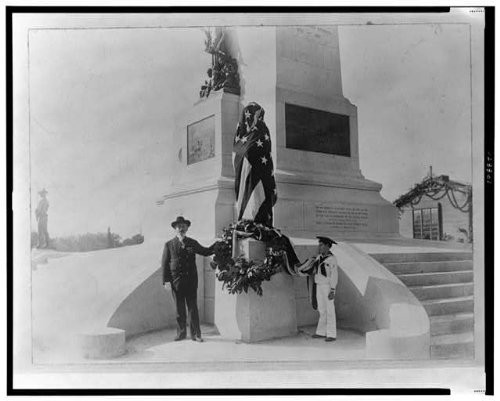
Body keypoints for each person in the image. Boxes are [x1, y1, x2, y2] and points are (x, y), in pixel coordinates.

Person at [161, 216, 217, 342]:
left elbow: (206, 251)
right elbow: (164, 264)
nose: (181, 228)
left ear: (187, 228)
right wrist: (166, 281)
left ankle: (196, 334)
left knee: (193, 308)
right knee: (179, 310)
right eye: (179, 226)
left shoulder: (192, 242)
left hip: (191, 281)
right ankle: (181, 333)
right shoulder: (169, 245)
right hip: (176, 283)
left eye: (183, 226)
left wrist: (218, 245)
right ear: (175, 229)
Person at [233, 102, 277, 227]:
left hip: (260, 176)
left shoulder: (261, 130)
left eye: (260, 116)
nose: (259, 119)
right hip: (247, 178)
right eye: (256, 115)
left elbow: (261, 152)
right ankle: (248, 222)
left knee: (259, 203)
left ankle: (257, 223)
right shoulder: (241, 134)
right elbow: (239, 154)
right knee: (251, 204)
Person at [298, 236, 339, 342]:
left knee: (330, 310)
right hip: (318, 285)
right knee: (321, 309)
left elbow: (334, 275)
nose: (319, 247)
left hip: (327, 287)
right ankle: (321, 332)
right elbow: (312, 269)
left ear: (327, 246)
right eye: (319, 245)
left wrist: (332, 290)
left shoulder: (332, 259)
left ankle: (331, 334)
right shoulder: (318, 257)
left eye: (321, 245)